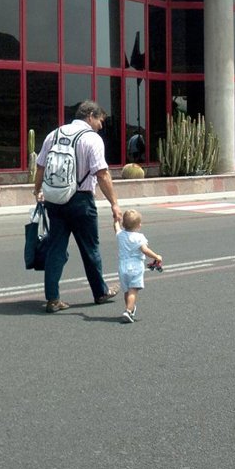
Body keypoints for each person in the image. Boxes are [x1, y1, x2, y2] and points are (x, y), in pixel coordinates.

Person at [33, 100, 123, 312]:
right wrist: (114, 203)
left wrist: (37, 190)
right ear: (90, 116)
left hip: (54, 199)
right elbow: (102, 174)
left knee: (55, 248)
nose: (101, 125)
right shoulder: (92, 139)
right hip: (81, 201)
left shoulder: (54, 134)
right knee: (90, 248)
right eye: (100, 120)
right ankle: (100, 292)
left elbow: (40, 166)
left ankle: (52, 299)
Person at [115, 208, 162, 324]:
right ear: (139, 225)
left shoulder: (120, 235)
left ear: (123, 224)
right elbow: (145, 250)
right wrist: (156, 256)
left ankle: (130, 308)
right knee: (133, 290)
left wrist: (116, 219)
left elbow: (116, 227)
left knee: (127, 291)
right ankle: (128, 311)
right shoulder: (139, 237)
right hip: (135, 266)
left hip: (122, 267)